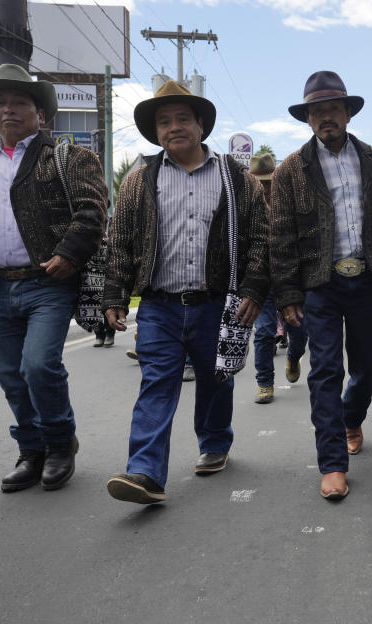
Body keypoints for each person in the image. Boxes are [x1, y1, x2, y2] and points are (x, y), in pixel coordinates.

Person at [0, 64, 108, 492]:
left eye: (19, 103)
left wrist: (68, 253)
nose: (8, 109)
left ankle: (61, 442)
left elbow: (92, 210)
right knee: (11, 373)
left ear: (40, 114)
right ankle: (32, 450)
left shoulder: (70, 158)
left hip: (48, 282)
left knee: (39, 365)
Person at [102, 81, 269, 504]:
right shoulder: (140, 181)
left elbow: (260, 238)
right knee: (157, 383)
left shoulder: (236, 179)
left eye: (181, 119)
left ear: (200, 125)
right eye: (164, 121)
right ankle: (144, 472)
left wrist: (253, 288)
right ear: (155, 132)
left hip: (216, 303)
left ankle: (214, 442)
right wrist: (114, 295)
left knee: (216, 380)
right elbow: (120, 239)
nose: (173, 127)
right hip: (159, 305)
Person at [270, 71, 372, 500]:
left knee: (368, 365)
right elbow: (280, 236)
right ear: (307, 118)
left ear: (347, 113)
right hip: (320, 284)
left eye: (332, 109)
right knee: (326, 370)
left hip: (368, 278)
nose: (325, 117)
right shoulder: (292, 169)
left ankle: (352, 418)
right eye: (317, 111)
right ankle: (331, 463)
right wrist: (289, 294)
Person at [249, 152, 308, 404]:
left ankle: (294, 357)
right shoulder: (248, 209)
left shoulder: (290, 204)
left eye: (268, 182)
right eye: (259, 183)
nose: (264, 188)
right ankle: (264, 382)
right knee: (263, 332)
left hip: (291, 280)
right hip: (261, 282)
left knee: (300, 330)